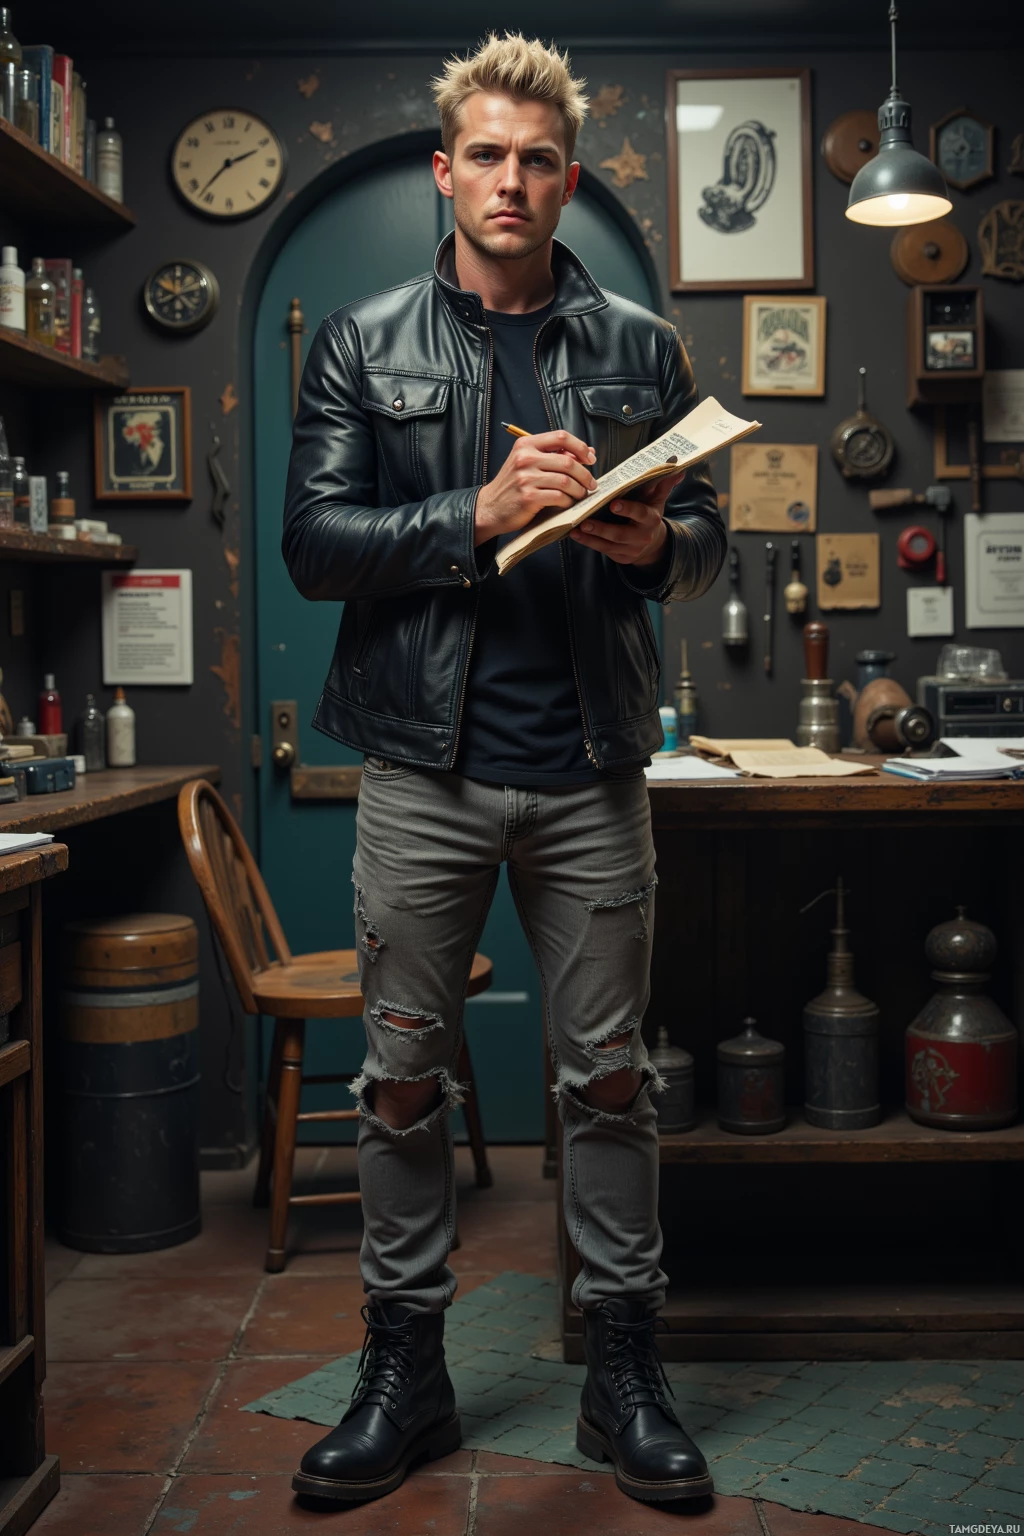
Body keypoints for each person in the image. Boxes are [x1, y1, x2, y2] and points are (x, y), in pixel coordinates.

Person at [282, 31, 725, 1507]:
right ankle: (405, 1373)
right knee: (402, 1080)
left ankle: (623, 1374)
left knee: (609, 1084)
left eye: (539, 159)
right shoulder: (362, 341)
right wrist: (469, 515)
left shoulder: (641, 351)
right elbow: (314, 547)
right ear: (446, 173)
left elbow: (706, 531)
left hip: (593, 768)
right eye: (488, 154)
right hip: (423, 770)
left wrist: (656, 542)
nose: (513, 180)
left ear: (569, 179)